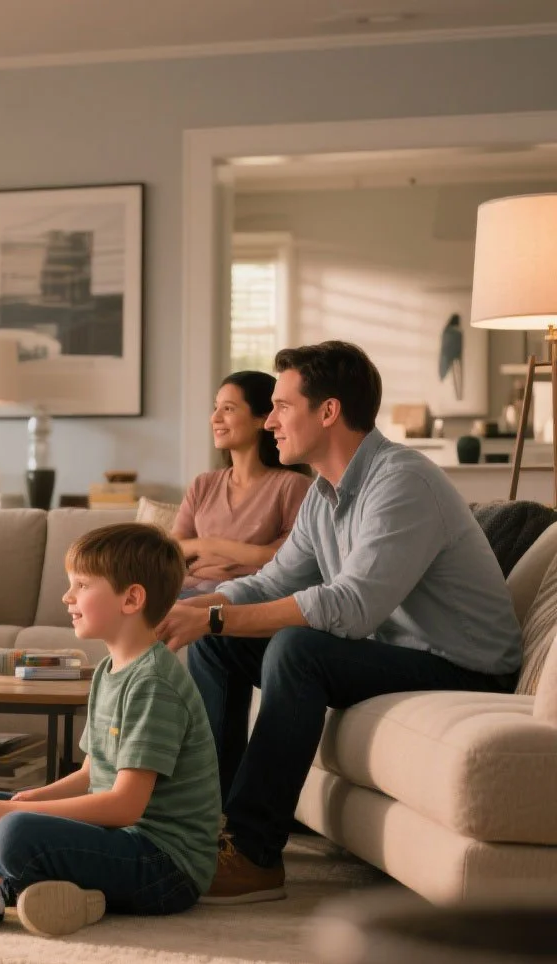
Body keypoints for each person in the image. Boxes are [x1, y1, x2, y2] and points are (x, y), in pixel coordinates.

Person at [157, 341, 522, 904]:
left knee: (297, 650)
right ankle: (209, 828)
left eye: (281, 406)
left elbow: (352, 605)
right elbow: (273, 581)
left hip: (463, 666)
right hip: (397, 651)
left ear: (327, 412)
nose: (270, 420)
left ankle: (255, 854)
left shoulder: (401, 482)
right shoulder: (323, 496)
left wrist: (217, 615)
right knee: (217, 644)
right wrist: (197, 612)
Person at [0, 524, 220, 939]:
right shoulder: (107, 672)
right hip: (121, 838)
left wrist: (16, 813)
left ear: (131, 598)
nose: (67, 597)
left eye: (81, 585)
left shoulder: (154, 683)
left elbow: (124, 806)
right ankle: (27, 886)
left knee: (13, 831)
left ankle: (59, 894)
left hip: (165, 868)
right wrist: (24, 798)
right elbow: (90, 776)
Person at [174, 371, 311, 596]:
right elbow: (172, 548)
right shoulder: (203, 484)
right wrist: (204, 546)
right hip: (189, 588)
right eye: (215, 407)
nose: (215, 417)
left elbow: (285, 558)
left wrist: (210, 545)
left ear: (261, 420)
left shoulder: (293, 486)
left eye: (228, 409)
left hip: (246, 594)